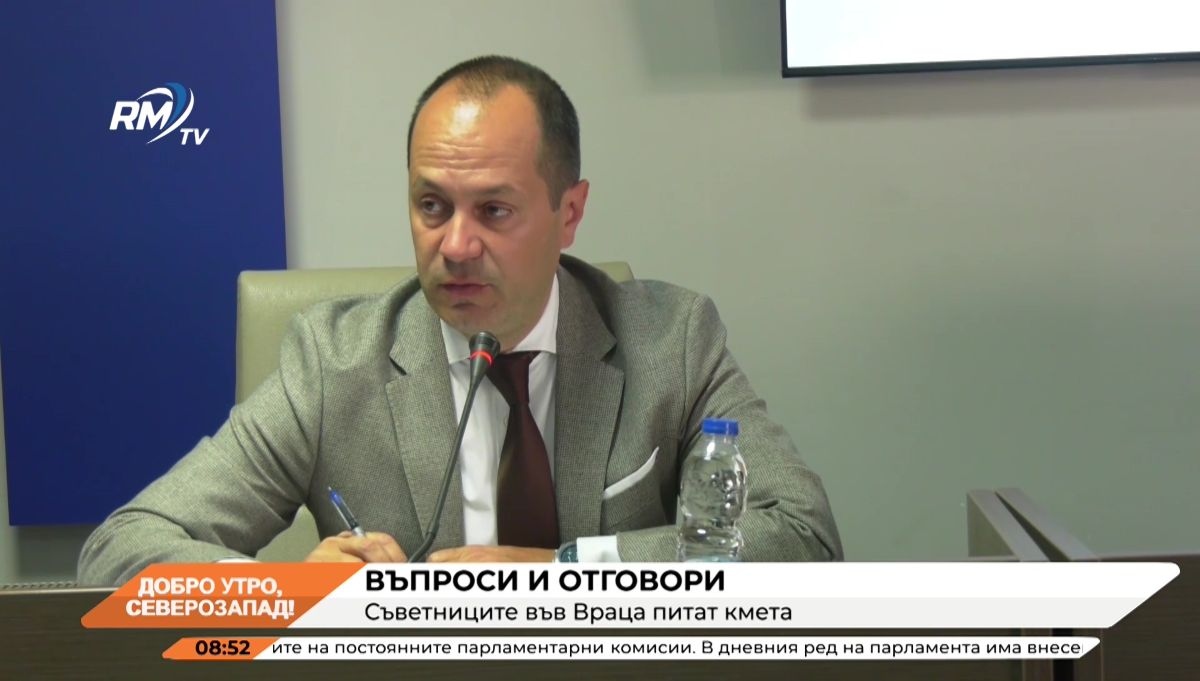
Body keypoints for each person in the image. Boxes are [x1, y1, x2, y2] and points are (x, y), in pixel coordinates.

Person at [78, 56, 842, 586]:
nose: (455, 246)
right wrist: (287, 589)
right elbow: (121, 549)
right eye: (432, 206)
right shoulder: (332, 363)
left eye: (494, 210)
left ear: (569, 213)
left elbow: (803, 538)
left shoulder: (671, 341)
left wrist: (567, 571)